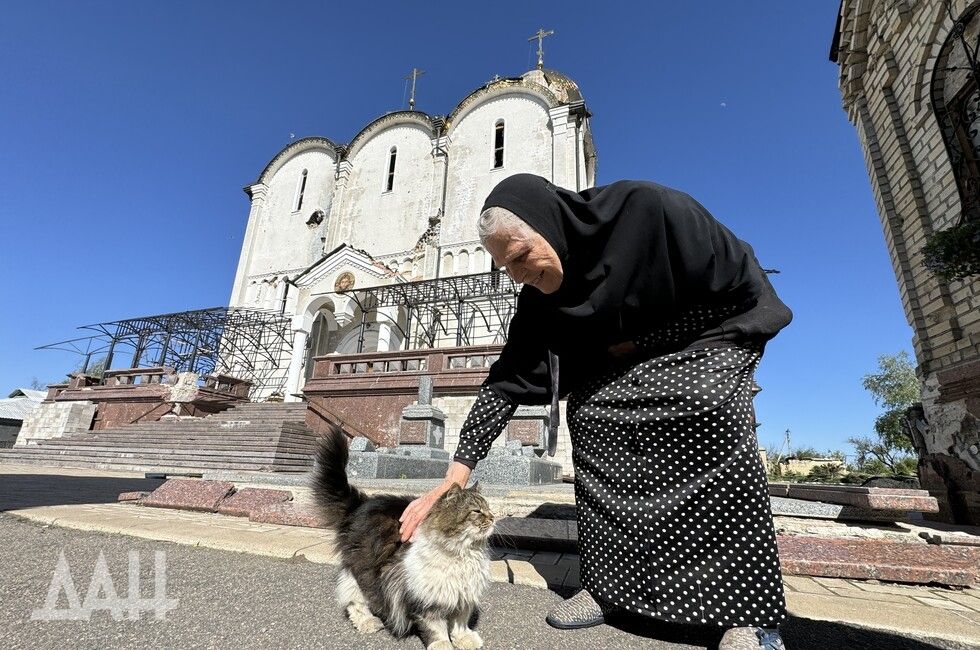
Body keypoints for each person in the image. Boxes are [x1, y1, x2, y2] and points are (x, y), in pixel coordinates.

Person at [398, 173, 792, 649]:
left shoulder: (646, 210)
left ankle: (747, 613)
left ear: (550, 223)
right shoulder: (539, 301)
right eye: (506, 268)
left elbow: (736, 287)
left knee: (705, 406)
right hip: (618, 368)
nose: (518, 275)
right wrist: (454, 480)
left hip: (703, 344)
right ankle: (608, 588)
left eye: (520, 256)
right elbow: (506, 381)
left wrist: (643, 343)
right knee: (588, 412)